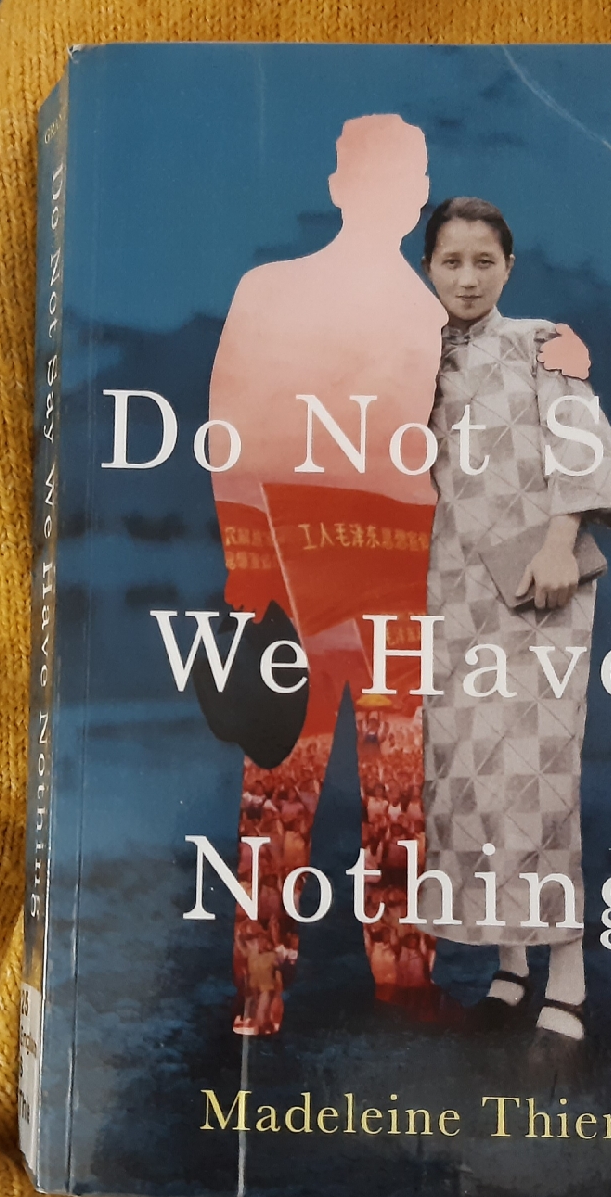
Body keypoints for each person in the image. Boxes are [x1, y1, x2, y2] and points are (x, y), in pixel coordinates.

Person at [207, 115, 452, 1036]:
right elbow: (229, 440)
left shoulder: (435, 320)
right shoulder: (269, 294)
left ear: (417, 200)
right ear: (340, 186)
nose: (392, 197)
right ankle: (260, 985)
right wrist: (250, 578)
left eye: (405, 183)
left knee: (402, 795)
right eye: (377, 178)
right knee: (280, 790)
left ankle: (404, 981)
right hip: (289, 585)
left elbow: (445, 467)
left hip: (402, 589)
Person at [416, 197, 611, 1044]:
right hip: (450, 593)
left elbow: (581, 446)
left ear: (509, 268)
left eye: (484, 262)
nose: (468, 278)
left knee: (535, 778)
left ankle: (570, 977)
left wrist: (560, 543)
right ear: (427, 267)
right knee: (467, 779)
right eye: (451, 262)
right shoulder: (413, 353)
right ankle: (510, 964)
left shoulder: (541, 342)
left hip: (534, 584)